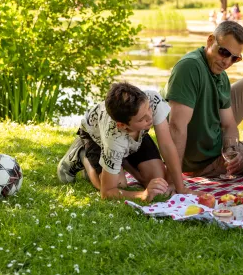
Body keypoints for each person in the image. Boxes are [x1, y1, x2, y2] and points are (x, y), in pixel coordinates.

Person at [164, 21, 243, 177]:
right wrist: (174, 179)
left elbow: (229, 124)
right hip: (204, 163)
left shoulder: (221, 76)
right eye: (224, 52)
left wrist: (231, 151)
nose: (227, 62)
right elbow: (177, 126)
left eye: (234, 58)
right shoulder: (190, 67)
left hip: (219, 151)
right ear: (210, 40)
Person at [57, 83, 192, 201]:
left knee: (158, 181)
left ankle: (122, 161)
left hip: (136, 133)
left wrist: (181, 188)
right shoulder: (114, 138)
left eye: (149, 109)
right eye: (141, 119)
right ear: (122, 125)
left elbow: (167, 146)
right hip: (95, 136)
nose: (150, 117)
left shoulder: (152, 100)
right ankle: (82, 155)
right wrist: (143, 195)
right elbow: (107, 192)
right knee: (119, 184)